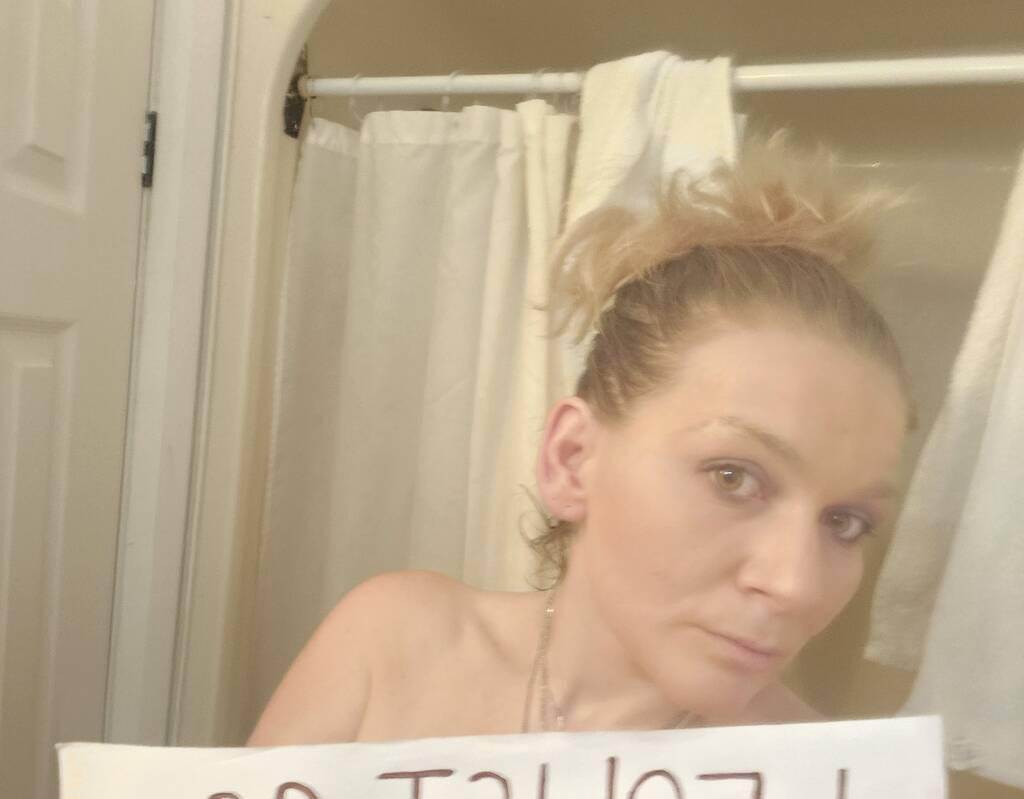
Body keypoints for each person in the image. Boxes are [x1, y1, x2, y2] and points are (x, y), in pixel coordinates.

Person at [247, 133, 915, 746]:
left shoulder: (813, 774)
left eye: (846, 522)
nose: (797, 584)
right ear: (572, 458)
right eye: (732, 476)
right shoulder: (393, 647)